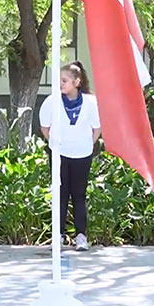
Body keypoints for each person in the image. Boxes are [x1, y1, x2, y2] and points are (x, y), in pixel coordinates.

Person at [39, 61, 101, 252]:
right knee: (60, 194)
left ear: (77, 82)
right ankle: (58, 235)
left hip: (82, 154)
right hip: (60, 155)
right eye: (59, 80)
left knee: (79, 194)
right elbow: (45, 127)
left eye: (64, 80)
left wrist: (86, 144)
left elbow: (96, 128)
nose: (61, 84)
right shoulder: (52, 101)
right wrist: (56, 144)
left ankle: (81, 236)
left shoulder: (91, 102)